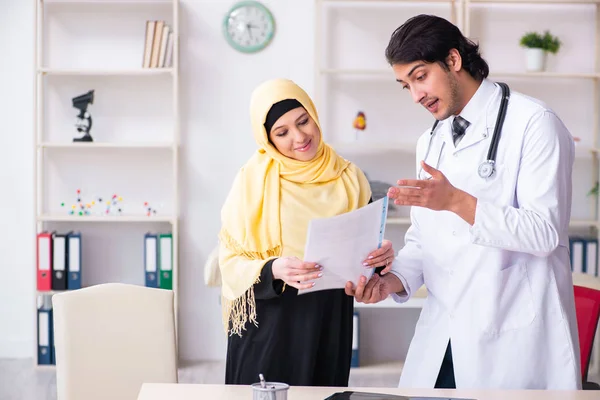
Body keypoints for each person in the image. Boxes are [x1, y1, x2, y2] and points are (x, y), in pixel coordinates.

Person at [345, 15, 581, 390]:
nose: (416, 95)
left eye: (420, 77)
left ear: (453, 60)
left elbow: (545, 232)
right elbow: (425, 241)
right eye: (405, 85)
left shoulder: (535, 123)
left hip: (510, 343)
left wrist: (456, 201)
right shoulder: (431, 140)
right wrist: (391, 280)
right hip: (442, 340)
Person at [218, 78, 396, 386]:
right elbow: (230, 262)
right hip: (271, 324)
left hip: (329, 320)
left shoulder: (350, 178)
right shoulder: (252, 181)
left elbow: (364, 251)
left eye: (304, 121)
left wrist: (381, 258)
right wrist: (274, 267)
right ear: (268, 139)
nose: (300, 137)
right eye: (282, 132)